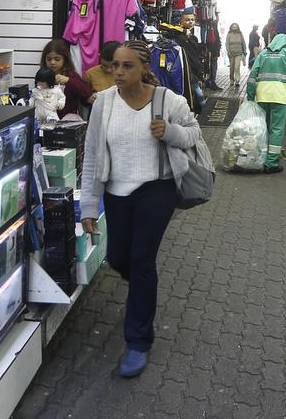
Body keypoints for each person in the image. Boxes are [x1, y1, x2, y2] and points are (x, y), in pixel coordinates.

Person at [79, 40, 203, 378]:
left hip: (156, 190)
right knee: (118, 258)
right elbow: (91, 155)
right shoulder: (103, 104)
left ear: (145, 69)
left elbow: (194, 134)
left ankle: (138, 341)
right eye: (115, 66)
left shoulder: (168, 101)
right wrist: (88, 206)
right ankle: (143, 292)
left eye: (127, 66)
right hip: (116, 193)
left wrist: (170, 132)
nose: (118, 72)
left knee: (141, 259)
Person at [246, 32, 286, 173]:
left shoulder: (262, 54)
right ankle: (271, 163)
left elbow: (252, 76)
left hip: (262, 96)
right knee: (276, 129)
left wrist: (250, 97)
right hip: (280, 96)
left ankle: (260, 157)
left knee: (263, 127)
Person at [41, 39, 92, 115]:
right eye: (49, 59)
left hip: (67, 119)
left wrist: (68, 80)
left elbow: (87, 92)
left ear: (65, 59)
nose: (52, 62)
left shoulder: (71, 75)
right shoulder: (42, 75)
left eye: (57, 59)